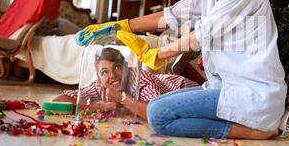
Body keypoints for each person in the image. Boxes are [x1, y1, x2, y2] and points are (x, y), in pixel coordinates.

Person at [77, 0, 289, 139]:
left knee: (157, 114)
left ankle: (256, 131)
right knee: (155, 107)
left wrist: (157, 53)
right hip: (224, 90)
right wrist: (118, 25)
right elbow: (171, 16)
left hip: (251, 94)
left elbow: (201, 35)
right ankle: (250, 125)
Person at [54, 47, 198, 119]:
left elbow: (156, 112)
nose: (112, 76)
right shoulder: (100, 86)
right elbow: (59, 100)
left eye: (117, 67)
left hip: (186, 90)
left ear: (126, 68)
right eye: (104, 72)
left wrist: (121, 98)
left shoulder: (139, 79)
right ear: (98, 78)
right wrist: (98, 105)